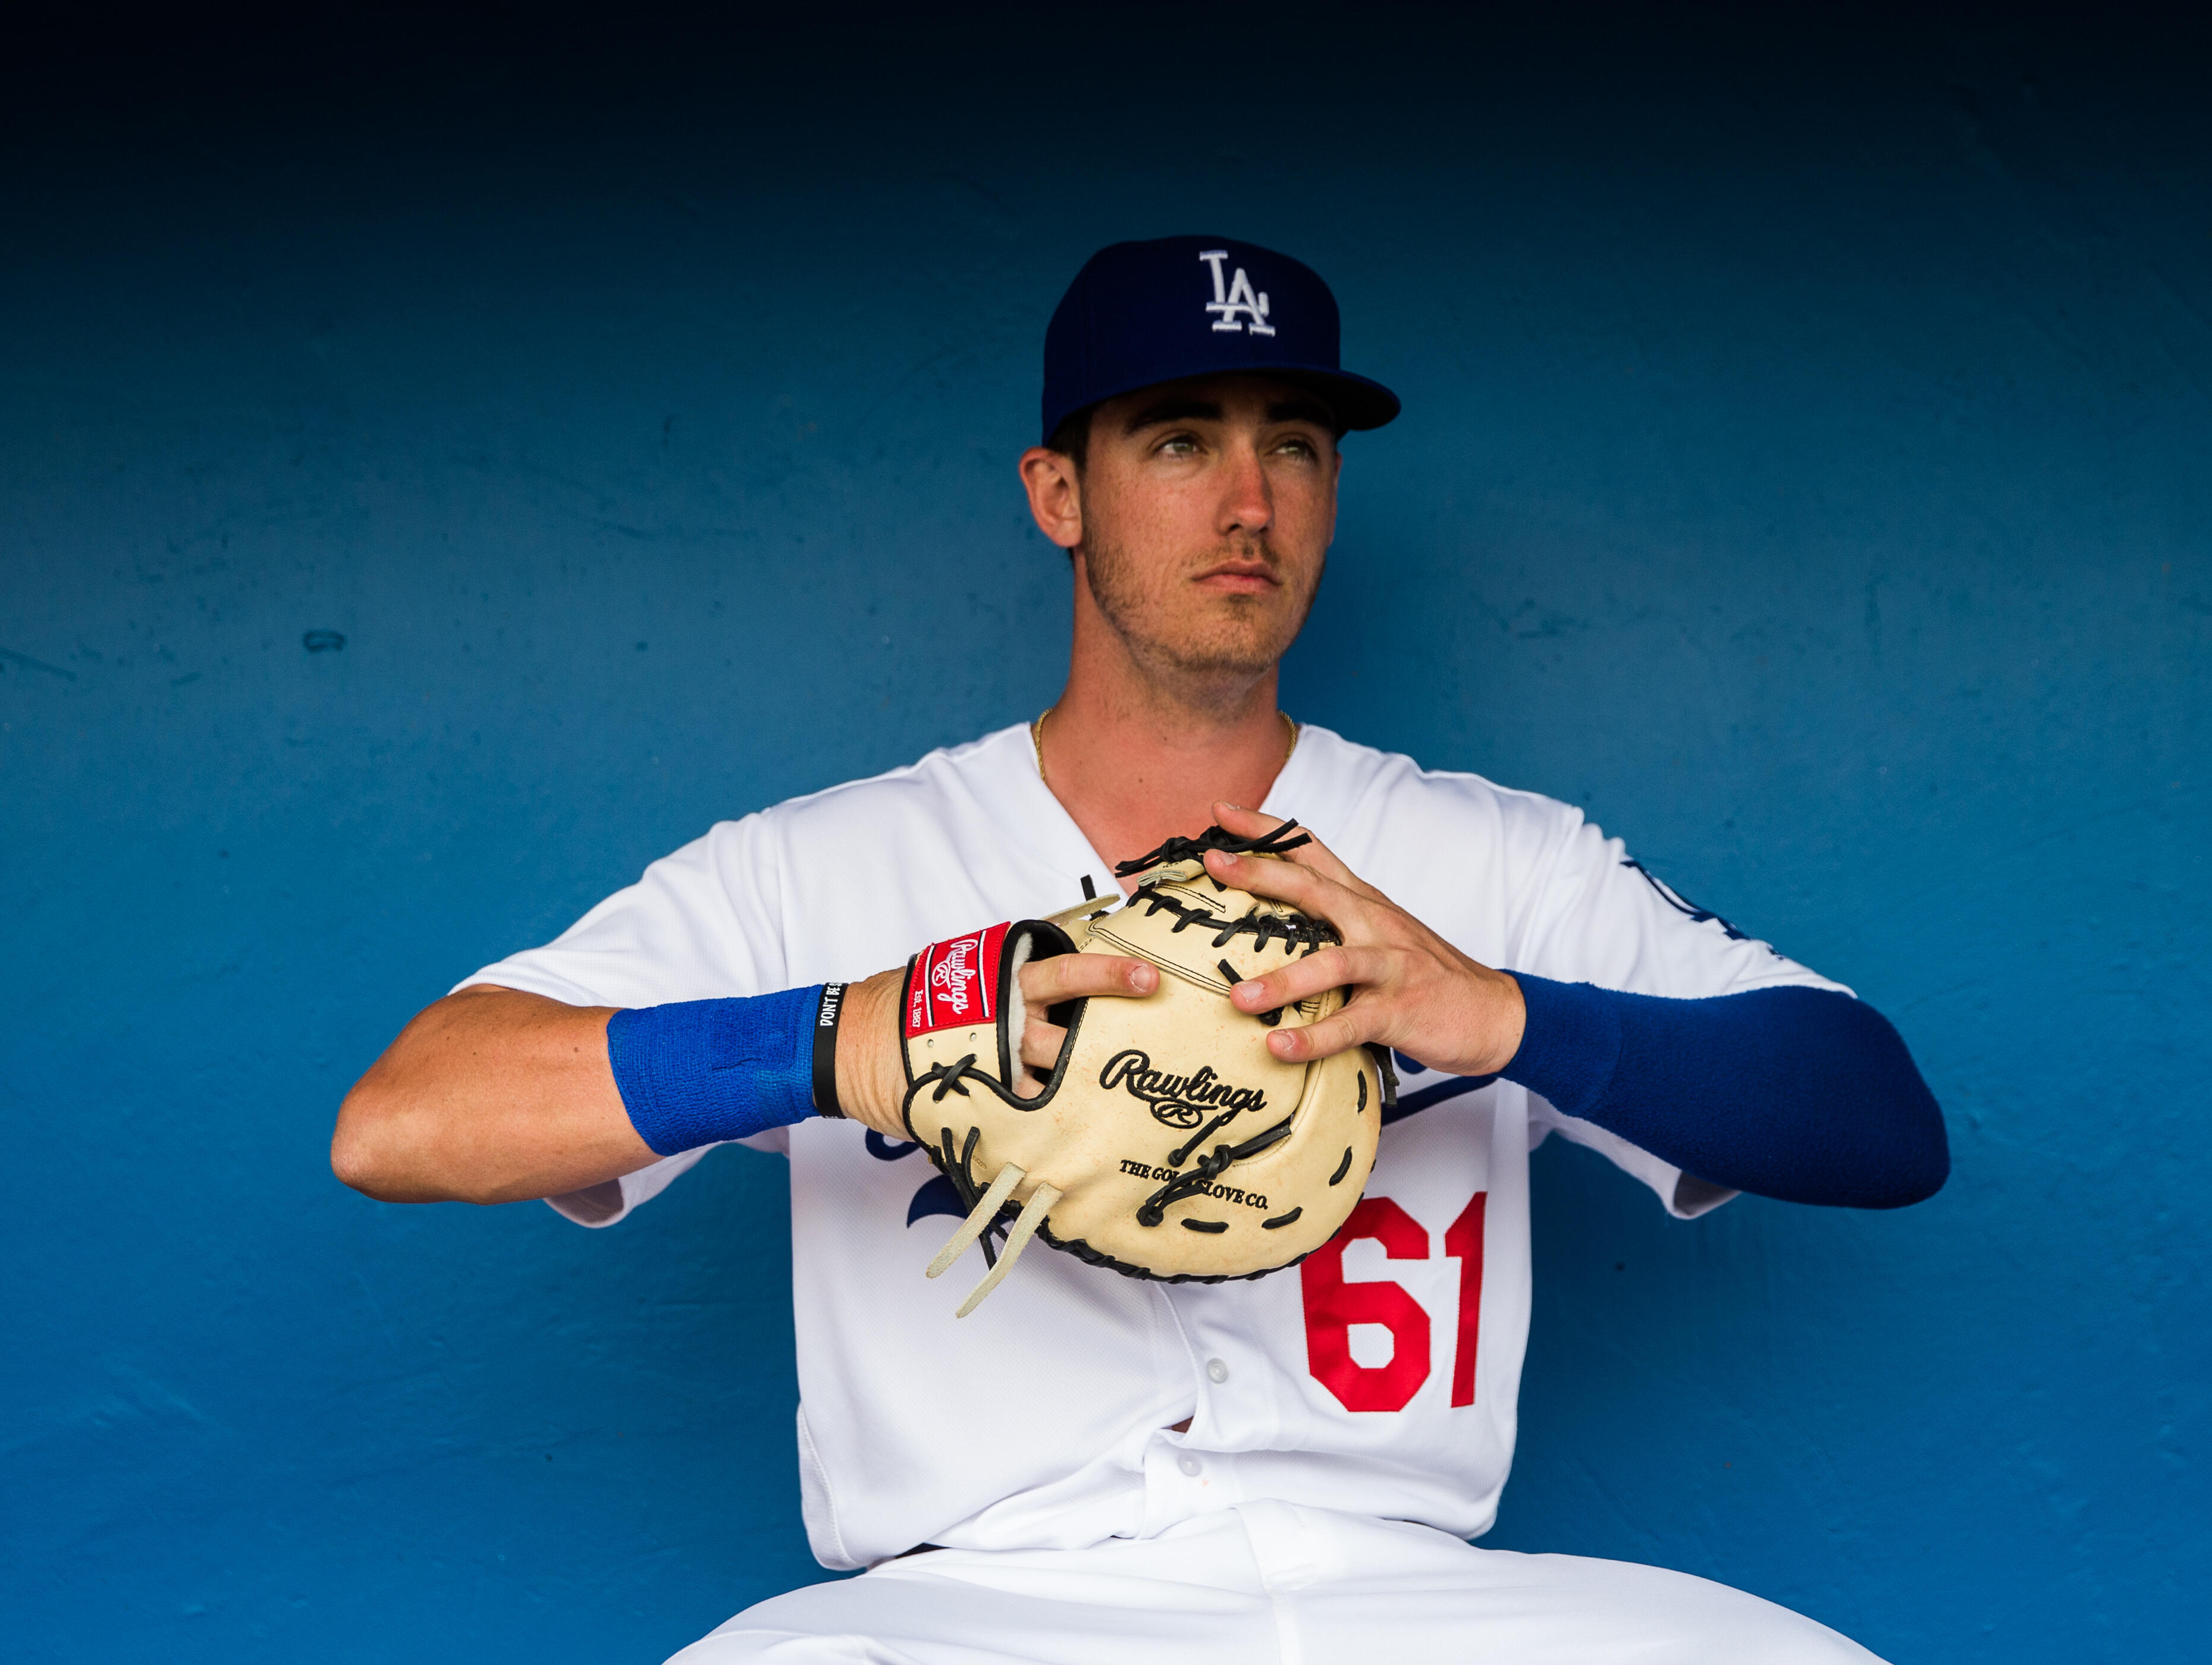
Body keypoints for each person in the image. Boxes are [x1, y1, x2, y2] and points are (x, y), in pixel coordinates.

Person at [331, 235, 1948, 1663]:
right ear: (1058, 492)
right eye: (1180, 441)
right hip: (971, 1610)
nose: (1250, 503)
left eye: (1295, 449)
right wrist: (833, 1039)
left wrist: (1510, 1013)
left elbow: (1878, 1117)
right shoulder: (834, 865)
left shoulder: (1485, 863)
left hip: (1411, 1595)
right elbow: (403, 1120)